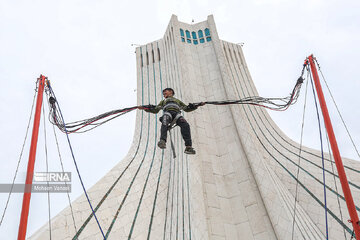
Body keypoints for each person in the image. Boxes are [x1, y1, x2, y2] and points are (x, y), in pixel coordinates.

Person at [138, 88, 204, 154]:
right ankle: (162, 141)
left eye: (165, 92)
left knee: (185, 125)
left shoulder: (178, 101)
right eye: (163, 93)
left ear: (171, 92)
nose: (164, 94)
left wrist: (196, 105)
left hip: (177, 115)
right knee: (164, 122)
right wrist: (145, 108)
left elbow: (186, 108)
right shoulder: (163, 101)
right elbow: (155, 110)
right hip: (167, 113)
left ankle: (188, 147)